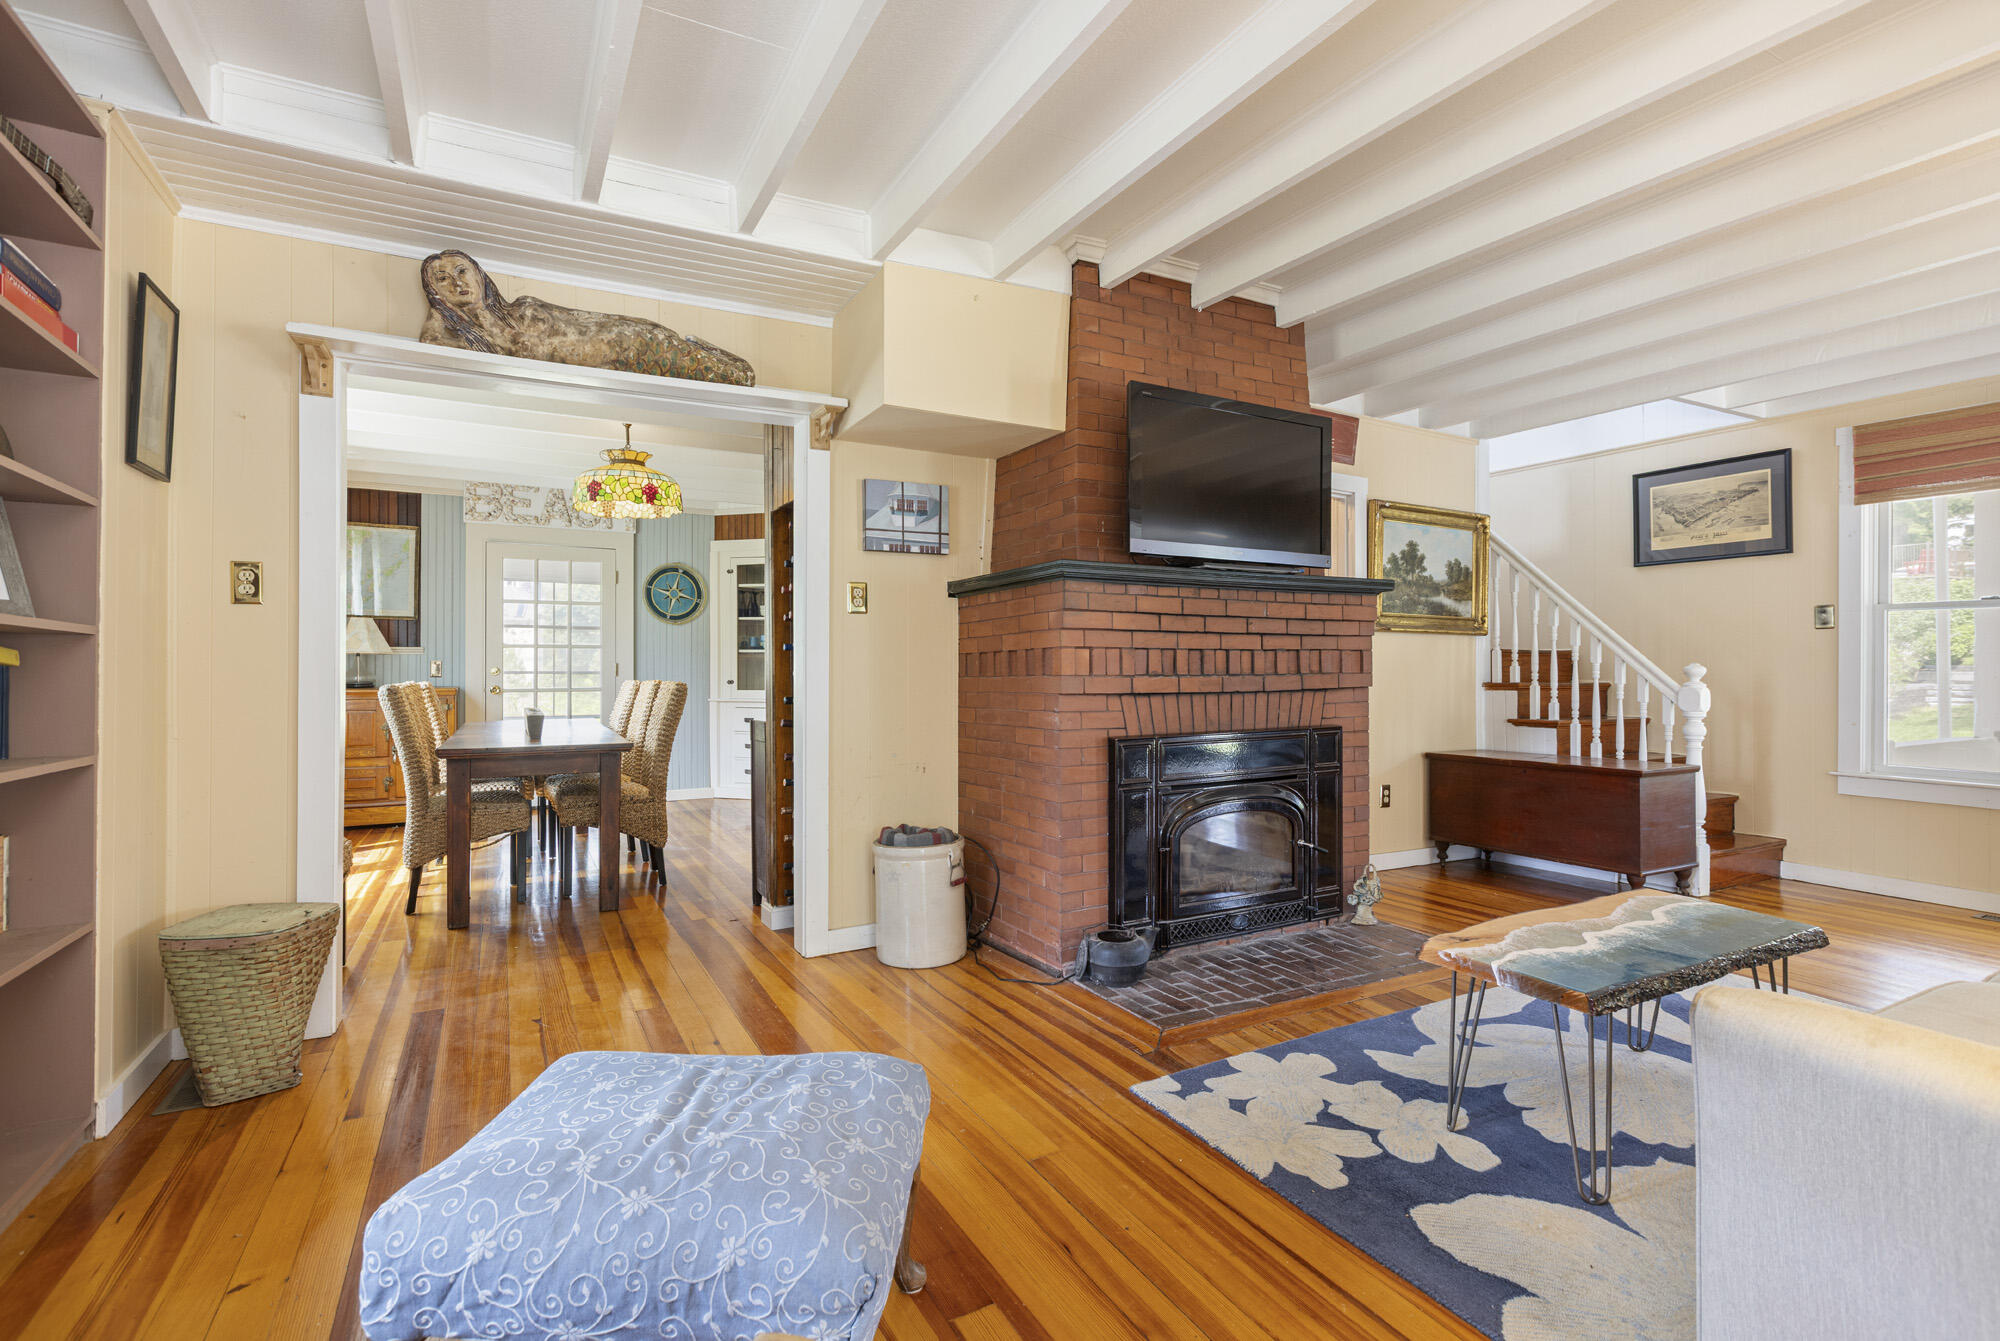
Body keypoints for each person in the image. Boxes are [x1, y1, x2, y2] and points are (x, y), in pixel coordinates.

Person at [417, 249, 756, 385]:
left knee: (741, 376)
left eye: (462, 271)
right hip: (617, 367)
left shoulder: (523, 308)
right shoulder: (477, 344)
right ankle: (699, 349)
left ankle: (701, 348)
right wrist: (439, 310)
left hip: (631, 342)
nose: (457, 283)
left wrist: (645, 329)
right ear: (436, 292)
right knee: (732, 378)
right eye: (442, 279)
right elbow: (429, 343)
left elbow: (588, 318)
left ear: (479, 274)